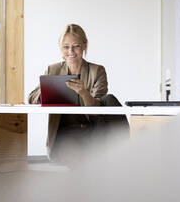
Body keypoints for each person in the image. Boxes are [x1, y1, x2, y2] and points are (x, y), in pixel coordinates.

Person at [28, 24, 129, 166]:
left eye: (76, 46)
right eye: (66, 47)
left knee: (110, 99)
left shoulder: (97, 71)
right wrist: (50, 88)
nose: (71, 51)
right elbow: (31, 98)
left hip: (92, 130)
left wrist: (83, 92)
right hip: (64, 135)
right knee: (81, 156)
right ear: (60, 48)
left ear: (84, 46)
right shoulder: (53, 69)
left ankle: (123, 149)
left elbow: (99, 110)